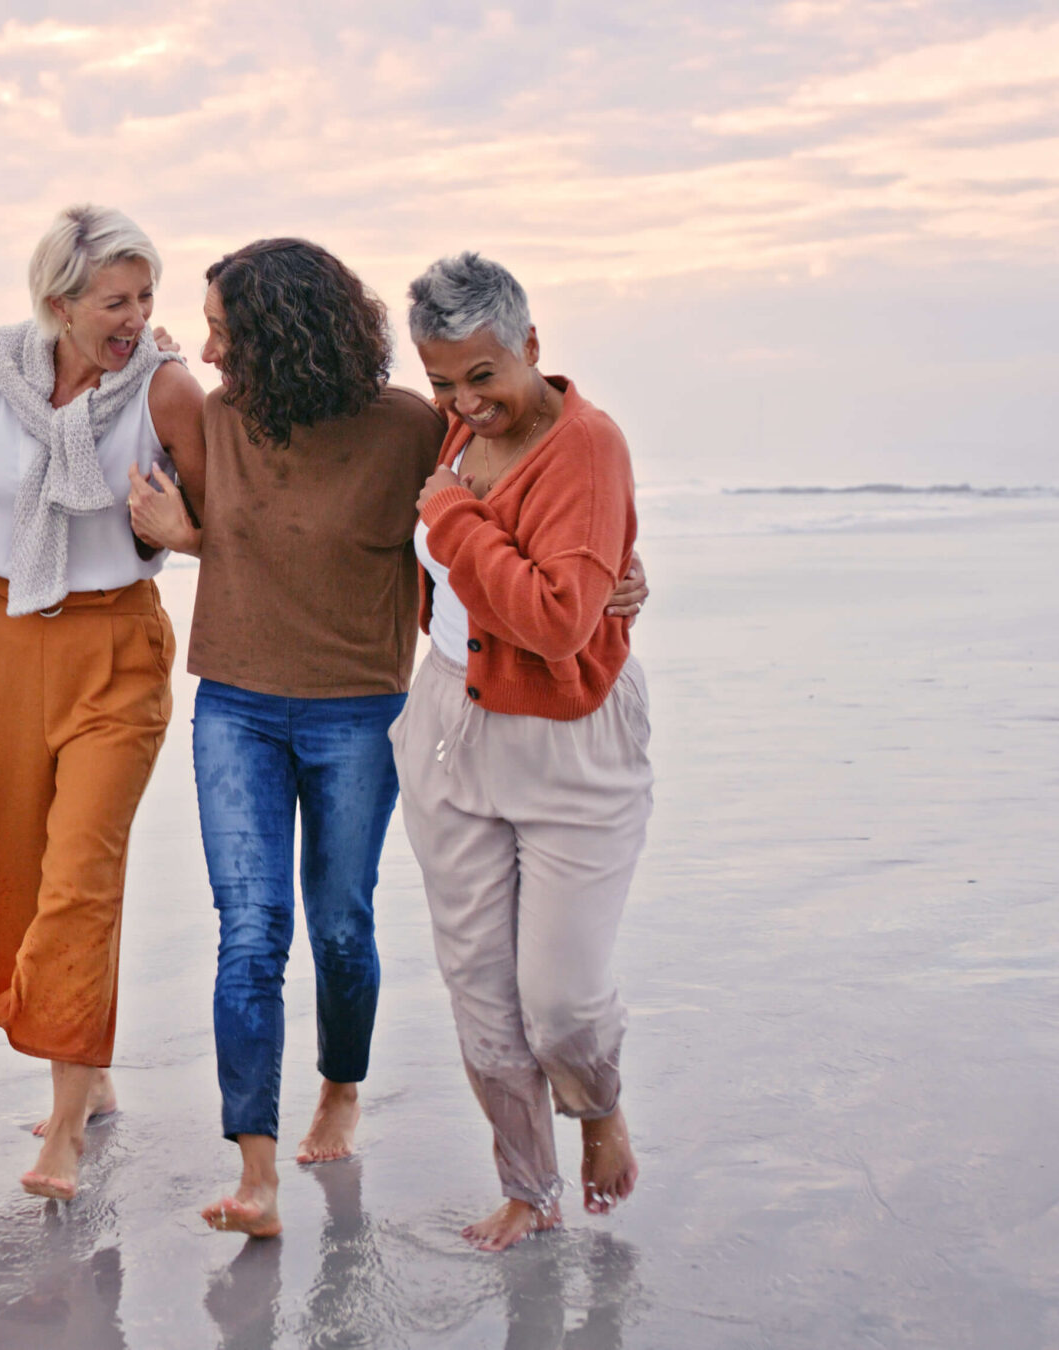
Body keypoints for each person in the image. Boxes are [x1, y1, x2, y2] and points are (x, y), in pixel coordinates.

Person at [127, 241, 648, 1240]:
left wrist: (615, 586)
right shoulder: (231, 413)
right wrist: (183, 534)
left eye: (228, 333)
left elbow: (525, 536)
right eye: (447, 378)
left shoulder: (421, 431)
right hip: (266, 706)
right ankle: (263, 1173)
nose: (208, 348)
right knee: (256, 937)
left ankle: (365, 1089)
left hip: (369, 710)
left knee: (350, 931)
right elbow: (206, 485)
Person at [0, 204, 207, 1201]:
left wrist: (177, 529)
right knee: (14, 864)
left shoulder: (167, 389)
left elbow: (228, 525)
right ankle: (87, 1071)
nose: (134, 318)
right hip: (7, 635)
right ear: (57, 302)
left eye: (145, 298)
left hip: (116, 646)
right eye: (114, 301)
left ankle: (62, 1127)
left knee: (79, 876)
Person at [394, 251, 653, 1250]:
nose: (465, 402)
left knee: (560, 1000)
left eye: (482, 376)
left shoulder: (587, 446)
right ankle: (528, 1186)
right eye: (443, 383)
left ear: (531, 349)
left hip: (568, 741)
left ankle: (596, 1108)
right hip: (450, 729)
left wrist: (452, 517)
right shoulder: (455, 431)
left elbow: (553, 620)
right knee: (477, 990)